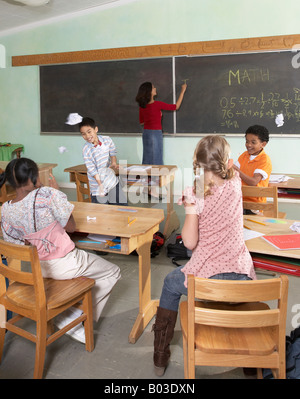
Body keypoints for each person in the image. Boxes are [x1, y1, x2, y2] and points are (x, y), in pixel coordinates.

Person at [152, 135, 256, 376]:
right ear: (228, 162)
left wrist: (190, 207)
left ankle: (160, 354)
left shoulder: (194, 193)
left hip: (209, 282)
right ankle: (251, 364)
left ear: (196, 164)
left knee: (170, 283)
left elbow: (189, 242)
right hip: (243, 279)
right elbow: (226, 176)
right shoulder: (235, 182)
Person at [0, 158, 121, 343]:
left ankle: (70, 310)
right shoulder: (48, 195)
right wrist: (58, 193)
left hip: (37, 269)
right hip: (66, 263)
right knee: (113, 272)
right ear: (33, 178)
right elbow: (71, 227)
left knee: (84, 270)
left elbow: (16, 243)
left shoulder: (5, 211)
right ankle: (72, 317)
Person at [135, 82, 187, 197]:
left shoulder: (142, 107)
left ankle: (145, 188)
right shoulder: (157, 104)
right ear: (149, 92)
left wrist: (156, 118)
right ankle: (153, 190)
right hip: (155, 134)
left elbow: (142, 122)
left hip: (146, 134)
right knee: (156, 162)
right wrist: (183, 91)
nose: (155, 88)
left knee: (147, 161)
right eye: (153, 87)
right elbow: (175, 107)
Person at [79, 117, 127, 205]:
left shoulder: (107, 140)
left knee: (123, 208)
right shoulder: (86, 150)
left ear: (96, 129)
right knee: (103, 214)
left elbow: (112, 151)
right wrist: (100, 185)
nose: (87, 136)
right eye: (83, 134)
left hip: (111, 181)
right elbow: (92, 170)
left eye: (89, 132)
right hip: (97, 187)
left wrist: (113, 162)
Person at [233, 125, 272, 214]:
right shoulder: (244, 155)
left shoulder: (264, 160)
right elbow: (233, 173)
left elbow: (254, 182)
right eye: (247, 141)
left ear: (263, 144)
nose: (249, 145)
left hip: (255, 205)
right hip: (240, 200)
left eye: (253, 142)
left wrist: (237, 170)